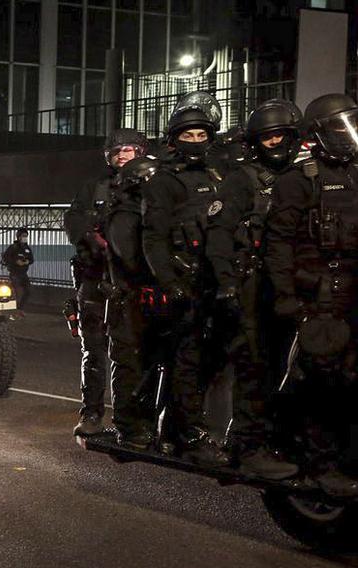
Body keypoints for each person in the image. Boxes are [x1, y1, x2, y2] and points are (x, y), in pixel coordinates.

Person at [264, 93, 358, 497]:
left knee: (349, 384)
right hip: (319, 296)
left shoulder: (356, 174)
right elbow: (279, 244)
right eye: (338, 127)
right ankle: (318, 466)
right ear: (317, 136)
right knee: (321, 385)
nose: (348, 135)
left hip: (353, 296)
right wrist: (287, 296)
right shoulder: (299, 180)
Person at [205, 100, 303, 479]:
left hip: (291, 284)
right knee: (255, 365)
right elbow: (219, 235)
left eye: (280, 134)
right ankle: (247, 446)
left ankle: (268, 438)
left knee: (288, 367)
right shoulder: (242, 179)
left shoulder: (302, 177)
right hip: (251, 285)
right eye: (267, 136)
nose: (275, 141)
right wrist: (227, 284)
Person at [141, 92, 229, 466]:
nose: (195, 141)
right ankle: (188, 434)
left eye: (201, 135)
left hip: (217, 281)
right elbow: (153, 238)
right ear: (174, 138)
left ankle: (181, 426)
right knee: (186, 361)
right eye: (187, 135)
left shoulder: (219, 174)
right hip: (184, 281)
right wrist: (170, 282)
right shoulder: (164, 181)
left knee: (216, 361)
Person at [66, 128, 147, 436]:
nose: (123, 155)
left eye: (129, 150)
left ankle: (129, 418)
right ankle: (91, 413)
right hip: (96, 278)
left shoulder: (151, 185)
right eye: (117, 152)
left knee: (129, 351)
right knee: (94, 350)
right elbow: (74, 221)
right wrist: (91, 237)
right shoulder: (94, 187)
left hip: (133, 281)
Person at [101, 155, 173, 447]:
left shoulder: (153, 212)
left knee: (158, 361)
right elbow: (133, 260)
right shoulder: (124, 216)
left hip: (152, 302)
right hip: (128, 302)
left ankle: (155, 423)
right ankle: (129, 427)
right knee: (131, 365)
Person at [1, 228, 34, 313]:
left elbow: (32, 259)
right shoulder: (13, 247)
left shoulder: (27, 248)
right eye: (23, 236)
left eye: (26, 236)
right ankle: (14, 310)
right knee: (17, 292)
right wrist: (16, 261)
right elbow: (5, 257)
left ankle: (20, 308)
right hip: (14, 273)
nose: (25, 238)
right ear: (19, 237)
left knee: (28, 291)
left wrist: (27, 261)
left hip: (23, 274)